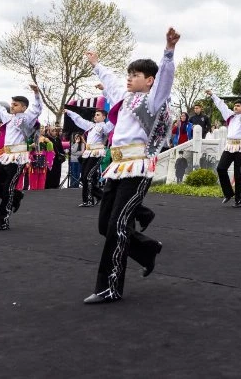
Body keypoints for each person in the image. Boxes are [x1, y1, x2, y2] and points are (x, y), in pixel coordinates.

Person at [81, 27, 180, 304]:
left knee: (118, 226)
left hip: (138, 169)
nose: (129, 78)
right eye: (129, 74)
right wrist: (96, 64)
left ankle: (109, 287)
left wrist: (169, 51)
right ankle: (147, 249)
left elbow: (165, 80)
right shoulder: (123, 98)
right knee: (105, 226)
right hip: (117, 166)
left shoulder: (153, 100)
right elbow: (110, 80)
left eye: (135, 75)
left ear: (149, 80)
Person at [0, 84, 43, 230]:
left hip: (18, 159)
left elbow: (37, 108)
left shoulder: (27, 118)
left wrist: (36, 93)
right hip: (5, 157)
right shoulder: (8, 118)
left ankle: (2, 221)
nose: (12, 107)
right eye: (12, 104)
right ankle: (16, 196)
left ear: (23, 107)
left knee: (8, 189)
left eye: (15, 105)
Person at [65, 108, 113, 206]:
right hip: (88, 153)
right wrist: (69, 112)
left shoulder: (105, 127)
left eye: (98, 115)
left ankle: (89, 200)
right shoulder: (91, 126)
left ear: (104, 117)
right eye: (95, 114)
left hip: (97, 153)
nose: (95, 116)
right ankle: (100, 196)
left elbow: (113, 121)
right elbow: (79, 120)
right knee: (84, 177)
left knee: (88, 177)